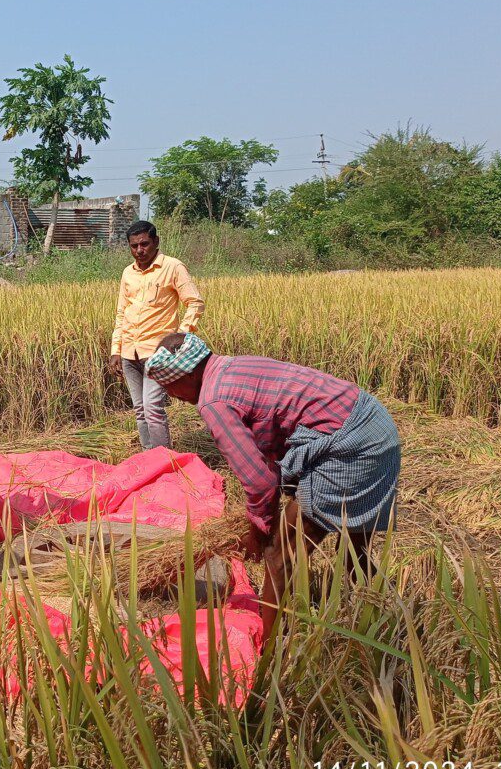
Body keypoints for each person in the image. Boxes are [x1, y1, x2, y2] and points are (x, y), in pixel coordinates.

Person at [145, 332, 400, 639]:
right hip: (375, 423)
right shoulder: (230, 366)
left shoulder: (213, 400)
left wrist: (259, 528)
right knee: (356, 550)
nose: (173, 397)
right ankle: (377, 623)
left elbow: (260, 481)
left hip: (351, 446)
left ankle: (272, 649)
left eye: (169, 387)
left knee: (279, 556)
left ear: (185, 375)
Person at [108, 221, 204, 451]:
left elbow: (195, 302)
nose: (140, 250)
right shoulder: (127, 273)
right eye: (134, 246)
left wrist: (181, 336)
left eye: (144, 244)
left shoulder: (173, 267)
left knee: (152, 407)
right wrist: (116, 350)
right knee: (140, 410)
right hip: (130, 351)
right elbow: (122, 313)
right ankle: (148, 457)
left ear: (156, 242)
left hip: (158, 353)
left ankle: (164, 460)